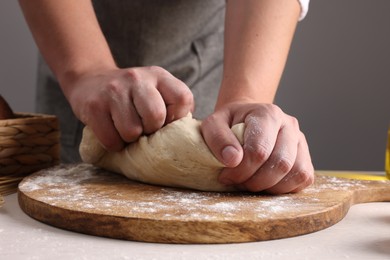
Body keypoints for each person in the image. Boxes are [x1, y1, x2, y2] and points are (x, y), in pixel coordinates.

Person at [18, 0, 314, 194]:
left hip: (201, 56)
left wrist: (246, 97)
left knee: (229, 163)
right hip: (72, 49)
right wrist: (85, 70)